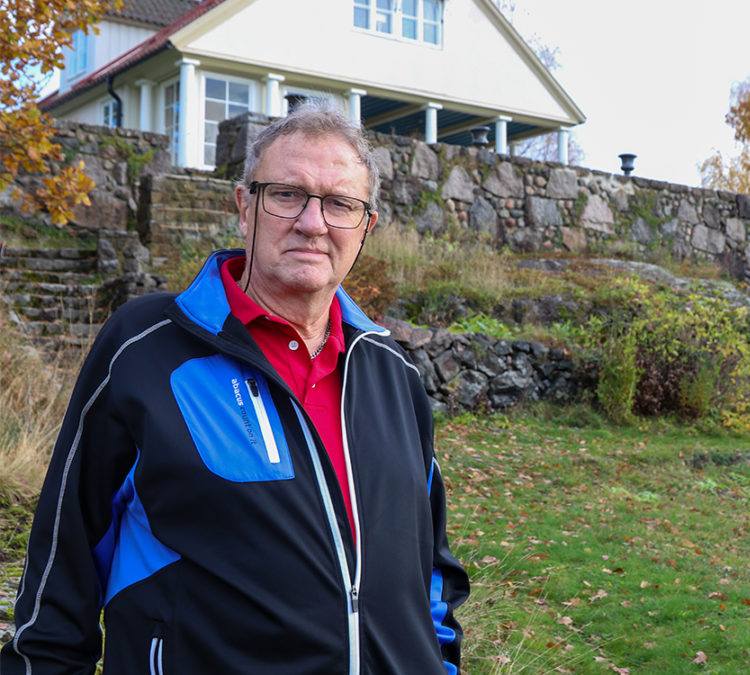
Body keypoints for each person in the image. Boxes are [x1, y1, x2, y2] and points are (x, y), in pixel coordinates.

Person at [1, 101, 469, 674]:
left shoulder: (394, 373)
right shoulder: (147, 348)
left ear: (366, 227)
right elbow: (62, 564)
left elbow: (432, 575)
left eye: (341, 204)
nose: (313, 223)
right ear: (244, 207)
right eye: (287, 194)